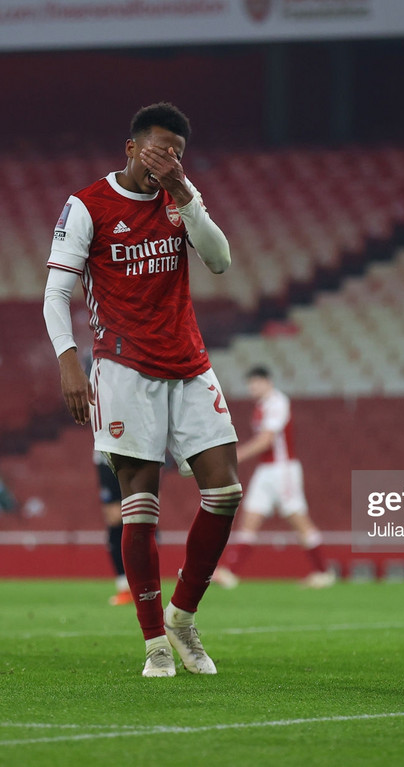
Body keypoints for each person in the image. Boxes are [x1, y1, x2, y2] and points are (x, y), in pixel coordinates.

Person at [44, 102, 241, 677]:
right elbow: (57, 293)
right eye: (158, 149)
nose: (167, 160)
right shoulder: (88, 205)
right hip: (124, 369)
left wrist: (185, 192)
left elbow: (221, 261)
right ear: (130, 148)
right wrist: (69, 365)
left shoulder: (180, 202)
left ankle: (183, 616)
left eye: (176, 151)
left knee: (224, 493)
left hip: (188, 364)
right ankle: (155, 641)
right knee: (140, 507)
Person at [214, 367, 333, 589]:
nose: (253, 387)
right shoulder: (262, 406)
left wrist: (236, 456)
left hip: (283, 469)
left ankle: (323, 571)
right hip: (266, 470)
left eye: (256, 382)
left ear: (268, 382)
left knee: (297, 517)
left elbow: (267, 440)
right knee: (250, 517)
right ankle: (230, 572)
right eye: (250, 383)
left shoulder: (278, 402)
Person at [96, 451, 133, 605]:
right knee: (115, 520)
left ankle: (136, 587)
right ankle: (126, 587)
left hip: (136, 453)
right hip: (108, 455)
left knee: (140, 517)